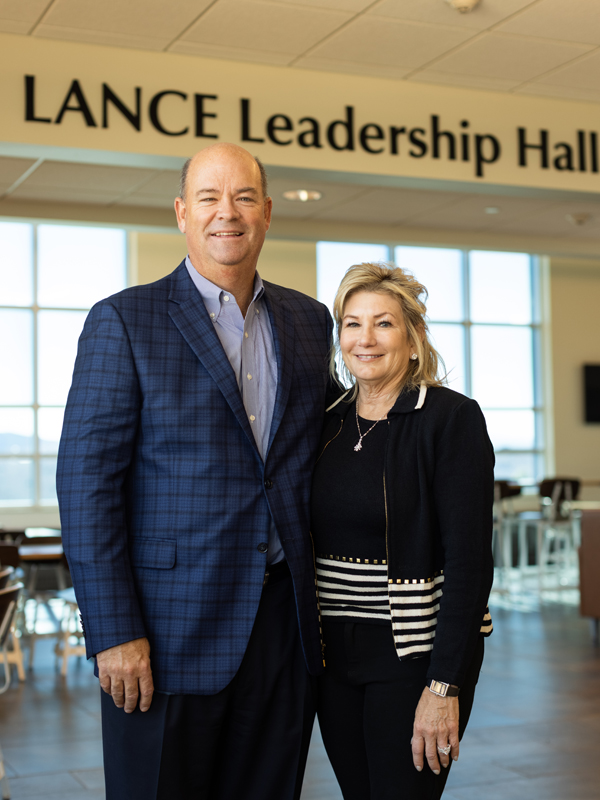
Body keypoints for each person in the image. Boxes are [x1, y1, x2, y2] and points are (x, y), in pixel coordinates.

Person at [57, 143, 334, 800]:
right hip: (165, 633)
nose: (226, 214)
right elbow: (87, 485)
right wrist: (114, 629)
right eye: (209, 198)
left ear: (266, 212)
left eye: (242, 198)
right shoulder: (125, 320)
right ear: (182, 213)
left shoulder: (308, 322)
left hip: (282, 629)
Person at [310, 262, 494, 800]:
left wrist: (444, 685)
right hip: (332, 657)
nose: (365, 338)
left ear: (413, 340)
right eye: (351, 323)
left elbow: (469, 562)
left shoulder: (449, 418)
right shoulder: (329, 419)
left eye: (383, 323)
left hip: (413, 655)